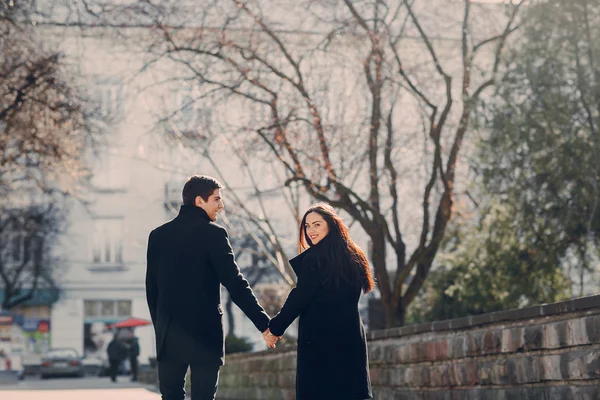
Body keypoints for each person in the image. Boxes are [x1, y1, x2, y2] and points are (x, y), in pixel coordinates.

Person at [146, 175, 274, 400]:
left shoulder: (158, 236)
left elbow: (151, 290)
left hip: (169, 335)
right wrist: (264, 324)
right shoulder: (214, 234)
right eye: (216, 199)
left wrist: (161, 328)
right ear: (199, 201)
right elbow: (235, 284)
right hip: (205, 335)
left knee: (171, 396)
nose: (221, 205)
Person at [267, 203, 375, 400]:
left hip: (321, 341)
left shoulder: (315, 259)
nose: (311, 231)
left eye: (317, 224)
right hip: (351, 337)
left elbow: (299, 298)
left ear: (331, 225)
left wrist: (274, 329)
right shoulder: (355, 256)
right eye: (307, 226)